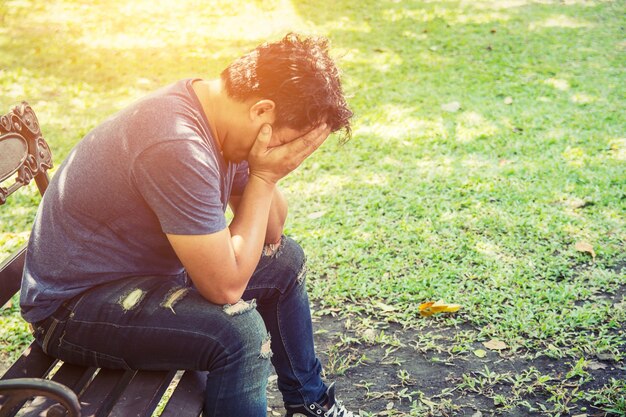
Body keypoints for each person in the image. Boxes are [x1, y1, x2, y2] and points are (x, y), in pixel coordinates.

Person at [20, 33, 358, 416]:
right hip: (73, 310)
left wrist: (267, 174)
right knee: (239, 335)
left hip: (142, 279)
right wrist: (263, 178)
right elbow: (225, 287)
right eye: (290, 142)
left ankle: (309, 402)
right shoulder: (177, 143)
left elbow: (272, 235)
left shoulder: (220, 118)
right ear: (263, 112)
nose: (287, 154)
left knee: (284, 261)